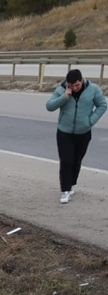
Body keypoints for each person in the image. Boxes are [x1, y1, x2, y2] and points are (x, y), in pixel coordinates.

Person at [46, 69, 106, 204]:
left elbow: (102, 105)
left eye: (76, 85)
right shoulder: (62, 90)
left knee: (76, 160)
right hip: (64, 132)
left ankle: (72, 184)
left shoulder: (93, 89)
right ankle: (65, 190)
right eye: (71, 85)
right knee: (66, 160)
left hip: (83, 133)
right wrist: (64, 97)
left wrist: (90, 121)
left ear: (81, 80)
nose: (74, 88)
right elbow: (49, 106)